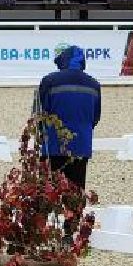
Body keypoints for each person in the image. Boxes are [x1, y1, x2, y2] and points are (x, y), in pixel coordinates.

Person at [33, 42, 101, 193]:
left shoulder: (49, 81)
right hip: (81, 146)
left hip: (53, 145)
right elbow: (95, 118)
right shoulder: (94, 85)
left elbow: (38, 114)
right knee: (75, 194)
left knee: (48, 194)